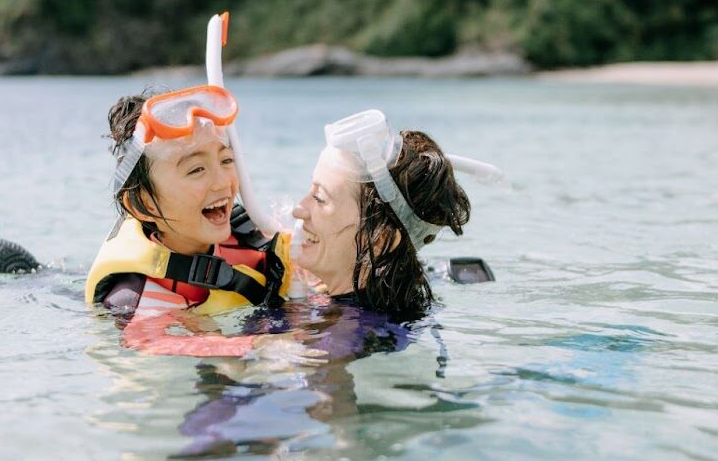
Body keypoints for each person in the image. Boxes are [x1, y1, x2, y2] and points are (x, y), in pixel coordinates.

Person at [84, 84, 291, 323]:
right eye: (196, 170)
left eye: (226, 160)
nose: (222, 182)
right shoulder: (134, 305)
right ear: (146, 204)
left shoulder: (250, 239)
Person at [292, 109, 472, 322]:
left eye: (320, 198)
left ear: (379, 239)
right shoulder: (381, 303)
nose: (298, 210)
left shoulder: (343, 340)